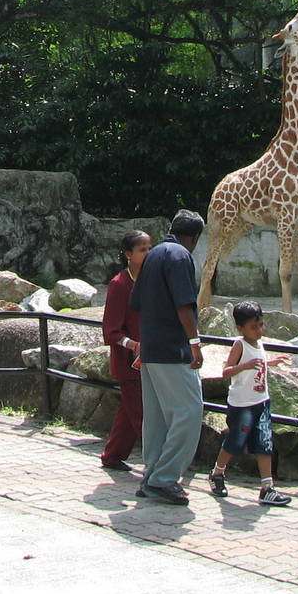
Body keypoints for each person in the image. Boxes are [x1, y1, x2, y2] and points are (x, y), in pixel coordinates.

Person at [129, 208, 206, 505]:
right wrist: (195, 343)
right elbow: (184, 305)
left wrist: (144, 345)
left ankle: (151, 474)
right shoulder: (180, 256)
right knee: (189, 412)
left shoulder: (154, 255)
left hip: (151, 349)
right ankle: (164, 478)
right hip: (173, 350)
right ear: (194, 238)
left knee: (158, 417)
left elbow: (139, 304)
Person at [207, 301, 293, 506]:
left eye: (261, 325)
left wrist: (272, 362)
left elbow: (259, 362)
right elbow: (226, 371)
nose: (259, 330)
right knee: (236, 441)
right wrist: (244, 366)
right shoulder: (239, 345)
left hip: (261, 401)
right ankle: (217, 473)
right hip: (241, 404)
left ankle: (267, 487)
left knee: (264, 442)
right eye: (254, 327)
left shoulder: (258, 343)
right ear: (240, 328)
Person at [99, 229, 152, 472]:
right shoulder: (119, 285)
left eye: (149, 248)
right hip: (129, 362)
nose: (148, 253)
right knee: (142, 414)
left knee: (128, 412)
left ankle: (112, 455)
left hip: (149, 358)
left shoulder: (150, 279)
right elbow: (111, 330)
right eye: (143, 249)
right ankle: (157, 463)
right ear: (128, 254)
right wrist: (131, 344)